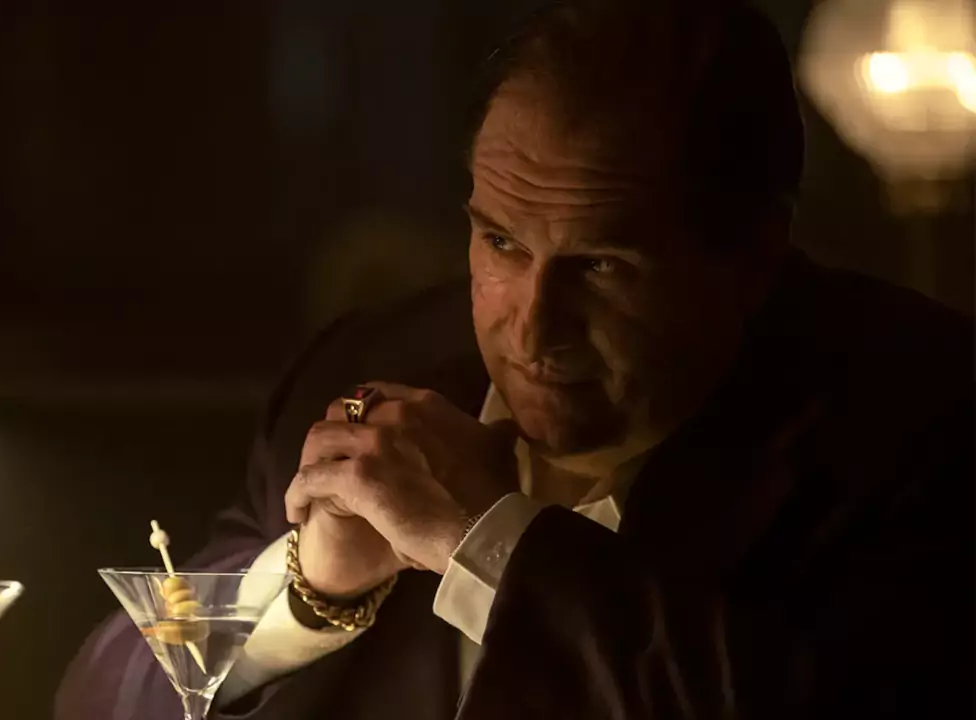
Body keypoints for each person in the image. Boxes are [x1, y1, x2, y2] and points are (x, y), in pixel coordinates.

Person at [56, 2, 974, 718]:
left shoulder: (926, 414)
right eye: (500, 242)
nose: (533, 329)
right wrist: (309, 592)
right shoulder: (379, 365)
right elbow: (100, 697)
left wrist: (484, 543)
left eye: (602, 266)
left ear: (753, 259)